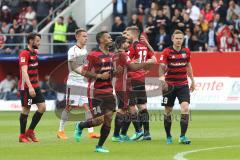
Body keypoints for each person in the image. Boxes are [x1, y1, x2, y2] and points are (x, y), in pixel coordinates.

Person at [74, 31, 116, 153]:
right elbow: (84, 72)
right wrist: (99, 76)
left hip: (108, 91)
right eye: (108, 37)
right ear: (101, 40)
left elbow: (111, 72)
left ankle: (99, 146)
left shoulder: (112, 55)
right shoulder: (92, 55)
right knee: (99, 120)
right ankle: (81, 125)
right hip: (95, 91)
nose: (110, 38)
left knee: (108, 119)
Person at [57, 29, 100, 140]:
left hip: (83, 82)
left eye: (86, 36)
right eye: (83, 36)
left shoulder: (85, 51)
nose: (86, 38)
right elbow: (73, 67)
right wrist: (86, 73)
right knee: (69, 106)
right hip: (74, 83)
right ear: (77, 37)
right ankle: (60, 131)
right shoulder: (72, 50)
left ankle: (91, 132)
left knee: (87, 106)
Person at [160, 30, 195, 145]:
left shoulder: (186, 51)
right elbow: (162, 66)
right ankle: (168, 135)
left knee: (185, 108)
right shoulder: (167, 51)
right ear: (172, 39)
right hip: (169, 86)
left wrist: (193, 80)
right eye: (177, 38)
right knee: (168, 110)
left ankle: (182, 136)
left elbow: (188, 65)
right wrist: (161, 77)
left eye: (181, 38)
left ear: (183, 39)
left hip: (183, 85)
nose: (179, 40)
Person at [126, 26, 156, 141]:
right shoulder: (143, 46)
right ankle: (147, 133)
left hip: (132, 79)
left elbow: (126, 62)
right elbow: (154, 59)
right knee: (142, 106)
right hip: (141, 79)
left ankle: (138, 131)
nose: (126, 37)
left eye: (128, 35)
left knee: (131, 107)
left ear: (133, 35)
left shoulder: (132, 47)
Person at [18, 32, 46, 143]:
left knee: (42, 107)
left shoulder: (34, 53)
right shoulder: (24, 54)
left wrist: (35, 86)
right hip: (26, 87)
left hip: (36, 86)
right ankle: (21, 135)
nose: (39, 43)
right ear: (30, 41)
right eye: (37, 41)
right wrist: (30, 87)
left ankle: (30, 131)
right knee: (26, 110)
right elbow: (24, 72)